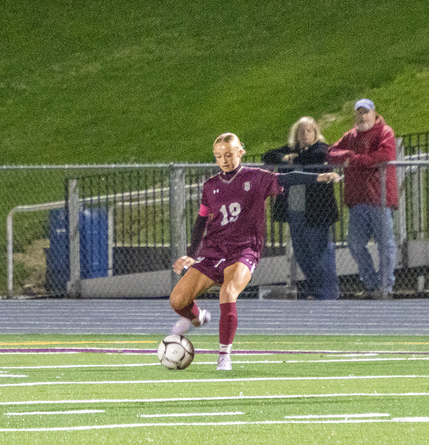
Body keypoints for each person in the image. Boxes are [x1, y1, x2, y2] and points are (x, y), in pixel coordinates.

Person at [170, 133, 339, 371]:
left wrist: (318, 176)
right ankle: (197, 317)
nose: (224, 160)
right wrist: (191, 253)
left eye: (229, 154)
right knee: (177, 300)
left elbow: (287, 178)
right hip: (213, 251)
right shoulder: (210, 186)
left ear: (241, 153)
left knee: (228, 292)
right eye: (219, 156)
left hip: (243, 250)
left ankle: (224, 355)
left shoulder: (256, 177)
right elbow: (201, 222)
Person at [261, 117, 340, 300]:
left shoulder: (321, 149)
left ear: (315, 133)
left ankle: (328, 292)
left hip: (316, 211)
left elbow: (313, 158)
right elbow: (269, 155)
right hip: (294, 209)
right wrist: (285, 158)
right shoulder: (291, 150)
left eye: (309, 131)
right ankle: (315, 289)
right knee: (302, 251)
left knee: (320, 251)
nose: (304, 134)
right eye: (301, 131)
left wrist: (292, 160)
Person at [327, 99, 398, 299]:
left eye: (366, 112)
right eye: (359, 112)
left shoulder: (385, 132)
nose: (362, 116)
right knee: (355, 244)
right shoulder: (350, 136)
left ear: (374, 113)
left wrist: (356, 160)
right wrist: (349, 155)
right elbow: (331, 153)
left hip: (380, 199)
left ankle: (386, 285)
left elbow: (385, 154)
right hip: (357, 200)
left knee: (386, 244)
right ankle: (371, 283)